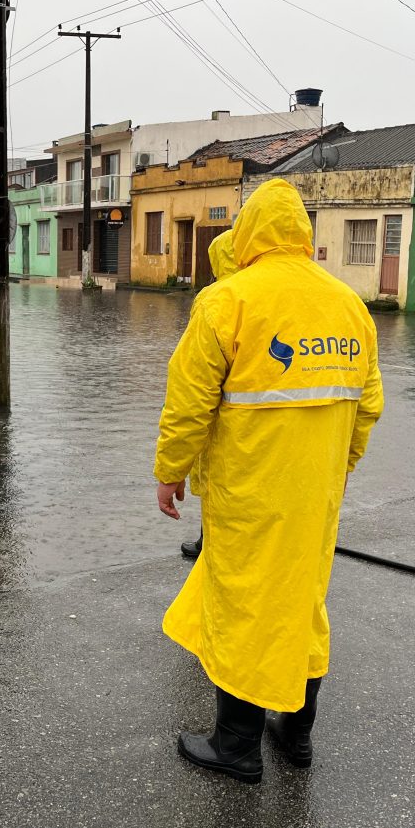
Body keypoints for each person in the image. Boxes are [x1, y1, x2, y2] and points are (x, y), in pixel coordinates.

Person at [154, 179, 383, 784]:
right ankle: (296, 735)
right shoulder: (349, 305)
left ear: (250, 230)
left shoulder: (228, 301)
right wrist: (340, 465)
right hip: (318, 493)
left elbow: (189, 403)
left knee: (245, 606)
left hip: (250, 490)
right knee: (303, 603)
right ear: (302, 232)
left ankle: (236, 745)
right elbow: (368, 404)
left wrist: (170, 471)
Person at [178, 228, 238, 561]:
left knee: (213, 480)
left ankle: (208, 544)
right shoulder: (265, 293)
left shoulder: (214, 298)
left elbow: (195, 378)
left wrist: (171, 468)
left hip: (221, 411)